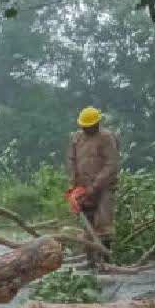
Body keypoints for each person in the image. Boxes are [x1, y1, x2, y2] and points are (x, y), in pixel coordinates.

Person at [66, 106, 121, 265]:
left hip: (104, 188)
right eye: (84, 126)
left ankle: (106, 261)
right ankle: (91, 261)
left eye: (89, 126)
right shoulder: (77, 138)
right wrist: (73, 184)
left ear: (97, 124)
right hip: (82, 187)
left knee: (103, 225)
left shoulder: (107, 138)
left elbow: (111, 164)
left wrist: (95, 186)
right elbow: (71, 160)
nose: (86, 128)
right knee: (87, 225)